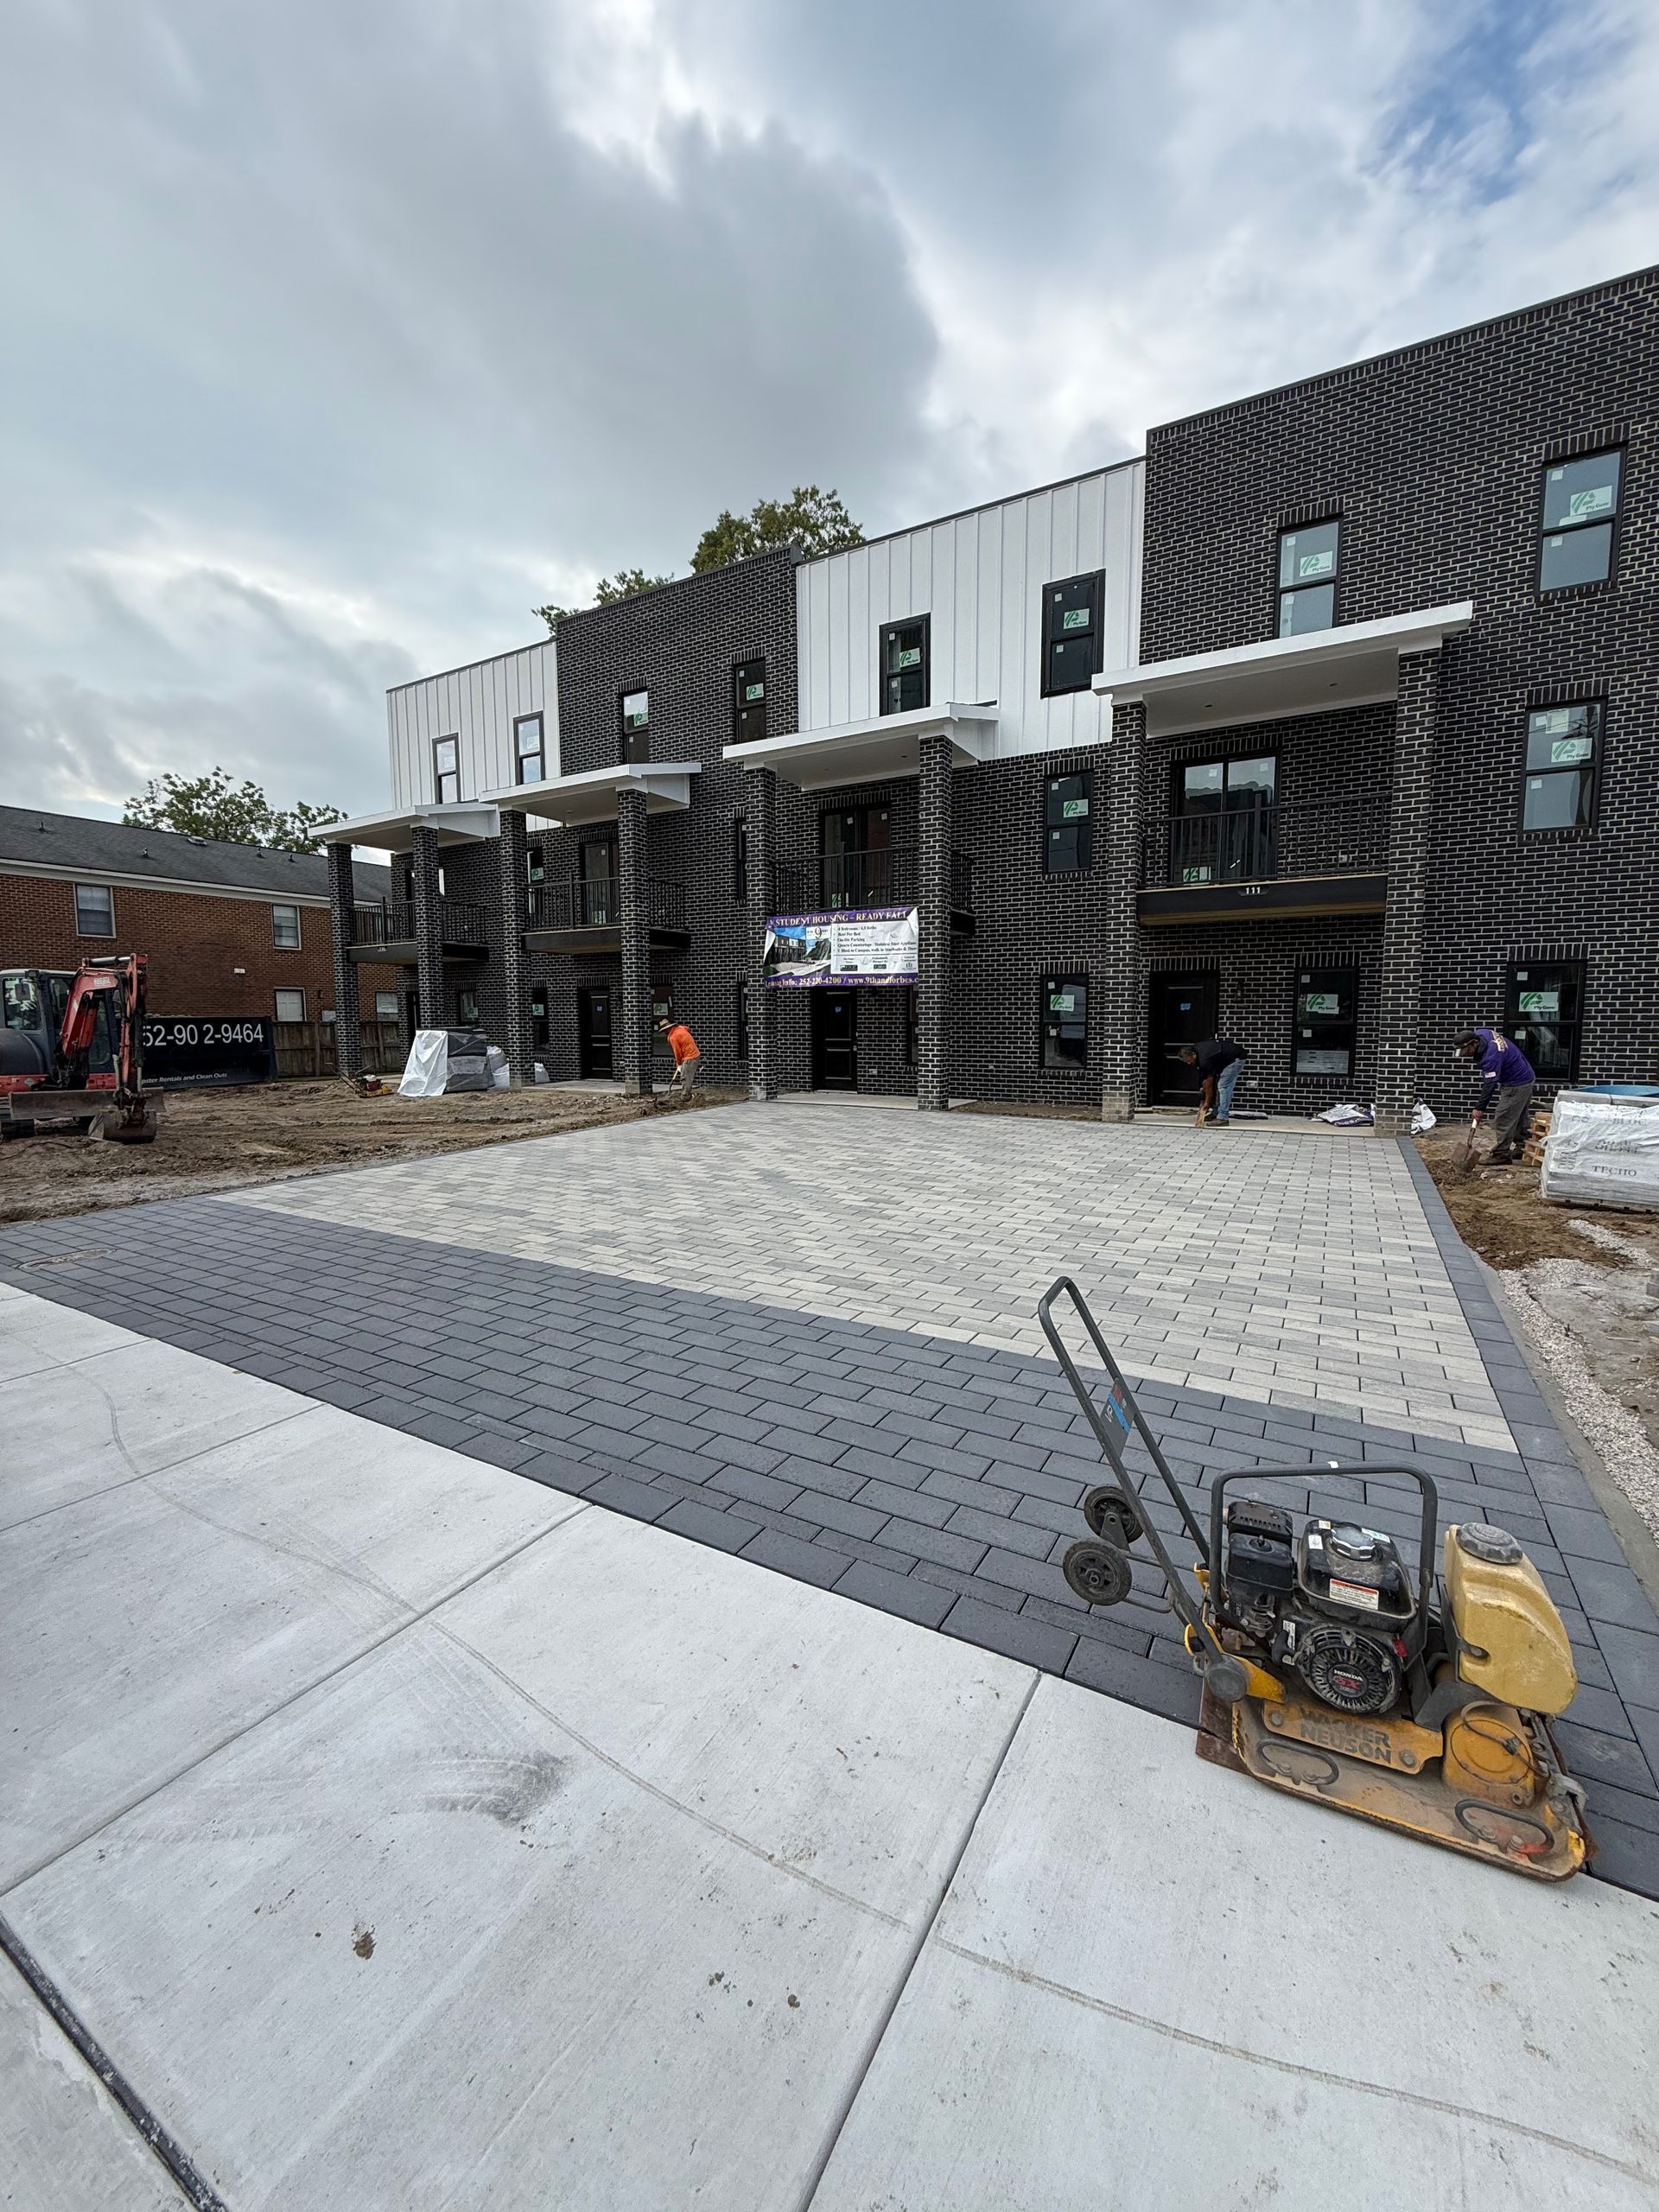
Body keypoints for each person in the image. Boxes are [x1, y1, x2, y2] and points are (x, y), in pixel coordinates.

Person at [1455, 1026, 1535, 1164]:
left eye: (1467, 1050)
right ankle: (1523, 1147)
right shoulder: (1482, 1033)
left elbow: (1490, 1085)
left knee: (1503, 1117)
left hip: (1517, 1083)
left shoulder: (1491, 1057)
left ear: (1474, 1043)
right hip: (1525, 1074)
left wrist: (1479, 1108)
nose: (1467, 1054)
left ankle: (1501, 1154)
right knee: (1518, 1116)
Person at [1180, 1037, 1247, 1126]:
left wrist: (1207, 1102)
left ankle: (1223, 1118)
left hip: (1235, 1059)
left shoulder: (1204, 1059)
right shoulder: (1196, 1051)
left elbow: (1209, 1083)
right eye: (1186, 1062)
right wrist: (1202, 1090)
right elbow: (1205, 1078)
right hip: (1224, 1061)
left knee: (1223, 1086)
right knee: (1217, 1086)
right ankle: (1216, 1113)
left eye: (1189, 1061)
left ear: (1193, 1054)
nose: (1189, 1063)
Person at [657, 1014, 702, 1103]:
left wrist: (679, 1064)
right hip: (694, 1054)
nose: (665, 1033)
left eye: (665, 1031)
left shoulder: (673, 1037)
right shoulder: (680, 1028)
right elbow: (687, 1028)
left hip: (690, 1056)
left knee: (685, 1077)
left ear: (667, 1029)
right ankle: (687, 1094)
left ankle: (686, 1096)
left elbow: (677, 1052)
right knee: (685, 1075)